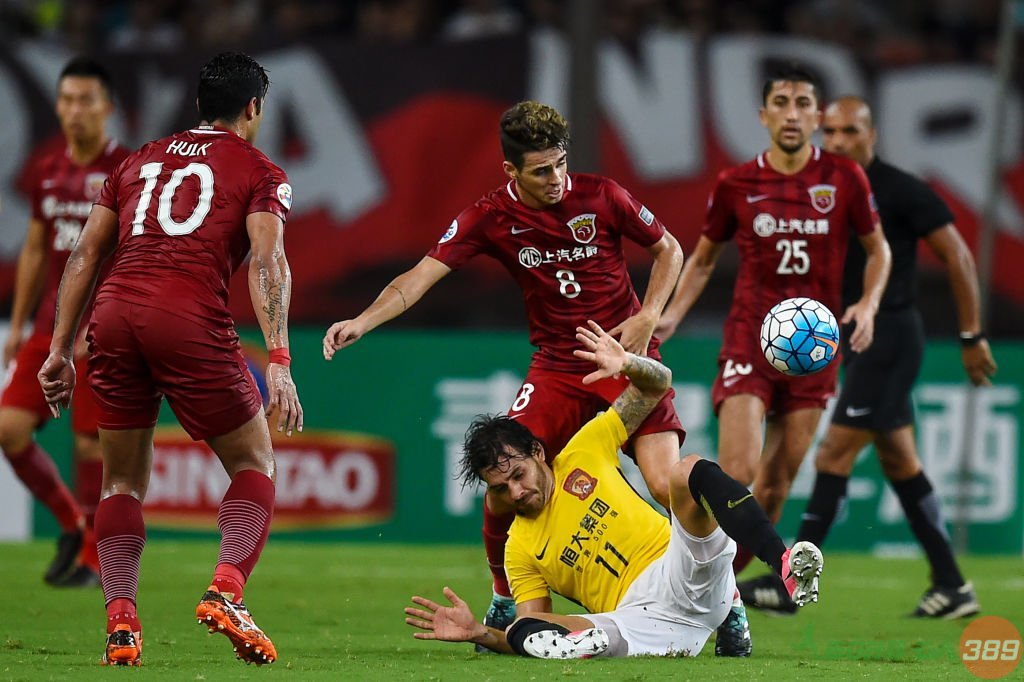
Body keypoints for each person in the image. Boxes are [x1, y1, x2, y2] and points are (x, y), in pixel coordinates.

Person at [323, 100, 685, 641]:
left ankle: (724, 603)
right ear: (510, 171)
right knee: (503, 473)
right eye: (541, 170)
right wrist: (364, 320)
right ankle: (501, 595)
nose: (557, 179)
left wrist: (648, 316)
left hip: (623, 357)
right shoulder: (490, 217)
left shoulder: (603, 194)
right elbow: (420, 276)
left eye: (560, 163)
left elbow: (669, 250)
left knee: (666, 484)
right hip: (558, 368)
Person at [38, 51, 303, 667]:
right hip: (186, 318)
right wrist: (280, 358)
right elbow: (268, 261)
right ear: (253, 108)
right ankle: (228, 591)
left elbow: (83, 254)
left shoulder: (137, 159)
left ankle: (122, 626)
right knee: (254, 461)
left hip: (113, 314)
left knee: (122, 479)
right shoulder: (261, 170)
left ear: (198, 106)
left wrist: (58, 348)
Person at [404, 320, 824, 658]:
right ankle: (606, 643)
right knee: (527, 629)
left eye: (518, 476)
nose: (514, 493)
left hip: (683, 568)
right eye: (501, 488)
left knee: (687, 471)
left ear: (538, 452)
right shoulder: (519, 548)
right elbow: (532, 624)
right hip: (639, 621)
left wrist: (628, 364)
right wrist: (480, 633)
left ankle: (782, 562)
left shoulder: (585, 449)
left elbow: (658, 384)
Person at [655, 64, 891, 649]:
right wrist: (671, 316)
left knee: (779, 484)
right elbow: (705, 259)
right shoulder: (736, 182)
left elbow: (877, 250)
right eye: (780, 102)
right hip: (749, 342)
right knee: (740, 470)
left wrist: (868, 302)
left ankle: (725, 601)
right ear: (762, 115)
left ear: (817, 116)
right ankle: (696, 595)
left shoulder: (845, 179)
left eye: (802, 102)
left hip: (817, 349)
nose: (791, 112)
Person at [738, 95, 997, 619]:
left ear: (872, 135)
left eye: (849, 132)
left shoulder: (900, 190)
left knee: (833, 454)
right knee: (901, 461)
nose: (837, 142)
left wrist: (972, 337)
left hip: (890, 337)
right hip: (849, 340)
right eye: (829, 132)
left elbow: (959, 255)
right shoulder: (818, 189)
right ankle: (951, 585)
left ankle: (790, 585)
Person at [1, 57, 129, 588]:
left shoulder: (126, 171)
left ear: (107, 107)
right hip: (48, 325)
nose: (74, 111)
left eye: (85, 100)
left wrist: (92, 326)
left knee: (90, 447)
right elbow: (35, 249)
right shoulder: (48, 170)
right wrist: (17, 323)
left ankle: (97, 556)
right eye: (67, 100)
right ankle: (73, 524)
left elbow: (127, 257)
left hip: (100, 331)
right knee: (9, 430)